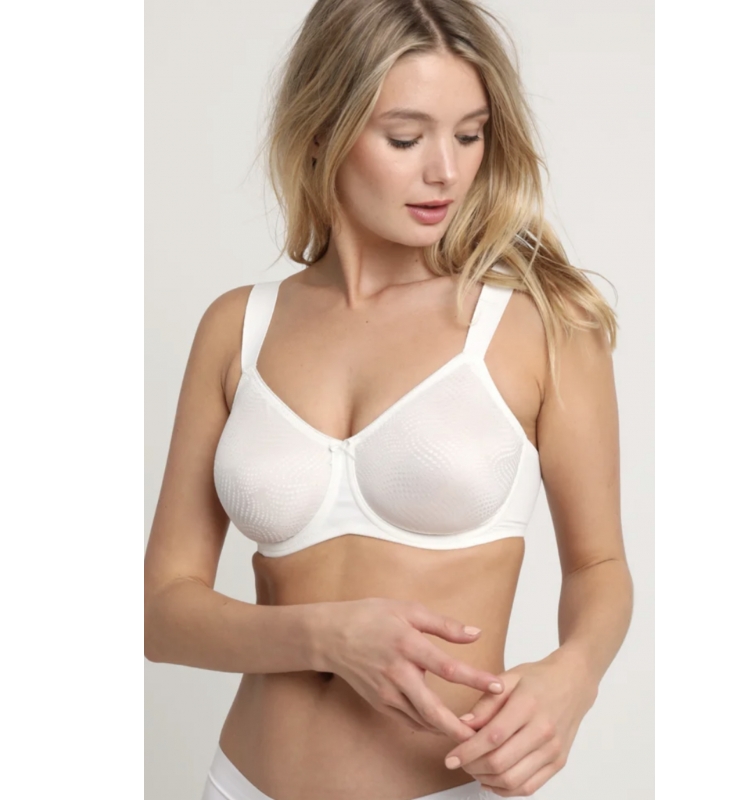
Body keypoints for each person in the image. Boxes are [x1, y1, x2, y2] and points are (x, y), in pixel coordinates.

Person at [144, 0, 634, 797]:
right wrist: (323, 636)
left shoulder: (541, 326)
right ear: (322, 130)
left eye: (470, 135)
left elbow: (599, 565)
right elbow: (161, 614)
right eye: (406, 139)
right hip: (239, 782)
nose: (446, 171)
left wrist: (573, 675)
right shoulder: (238, 328)